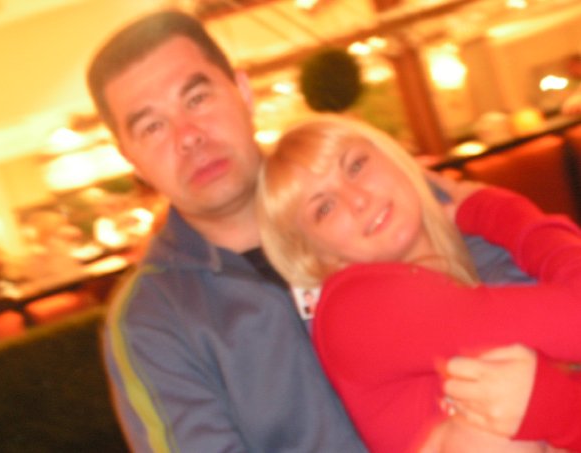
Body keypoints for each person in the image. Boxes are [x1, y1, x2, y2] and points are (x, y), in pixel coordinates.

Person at [86, 9, 557, 453]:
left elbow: (531, 288)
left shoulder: (364, 187)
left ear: (243, 92)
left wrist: (539, 394)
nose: (188, 135)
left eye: (198, 98)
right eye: (152, 127)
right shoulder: (151, 321)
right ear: (130, 158)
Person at [256, 114, 581, 452]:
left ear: (394, 158)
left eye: (356, 166)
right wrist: (489, 207)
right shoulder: (356, 308)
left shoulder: (482, 261)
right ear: (316, 254)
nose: (357, 199)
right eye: (324, 208)